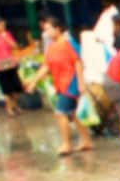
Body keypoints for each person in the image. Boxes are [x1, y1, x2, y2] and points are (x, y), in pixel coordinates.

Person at [24, 15, 93, 156]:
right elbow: (46, 66)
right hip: (60, 84)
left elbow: (78, 62)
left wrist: (80, 83)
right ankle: (85, 140)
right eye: (45, 30)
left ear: (58, 29)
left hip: (71, 82)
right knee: (73, 114)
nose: (46, 33)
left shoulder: (69, 43)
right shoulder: (51, 47)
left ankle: (66, 144)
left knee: (60, 113)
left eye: (49, 29)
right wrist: (33, 81)